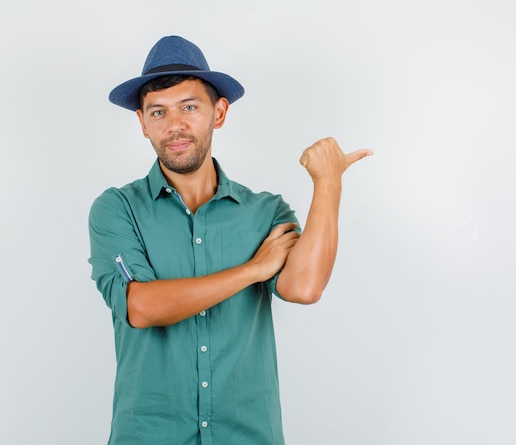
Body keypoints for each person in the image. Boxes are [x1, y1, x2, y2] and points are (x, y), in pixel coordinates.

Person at [88, 35, 372, 445]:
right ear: (142, 122)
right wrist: (253, 270)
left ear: (218, 113)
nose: (175, 126)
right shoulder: (117, 209)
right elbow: (142, 306)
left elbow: (305, 288)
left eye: (189, 107)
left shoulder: (264, 212)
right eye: (158, 112)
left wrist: (327, 183)